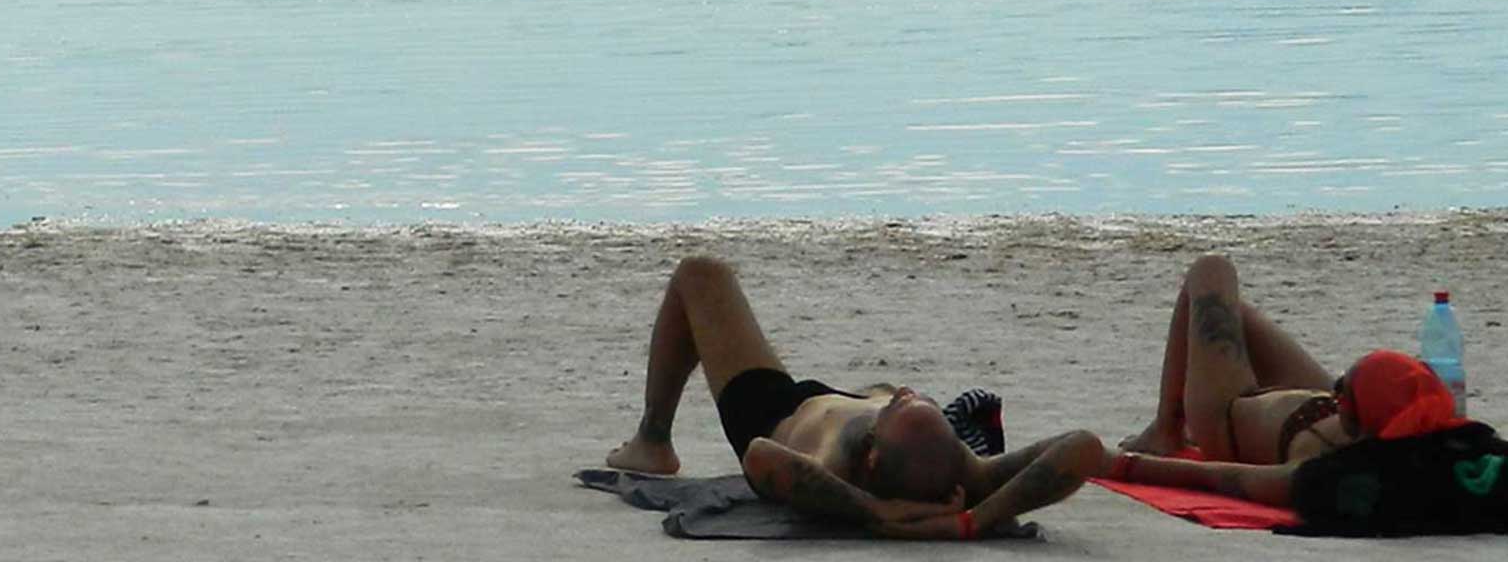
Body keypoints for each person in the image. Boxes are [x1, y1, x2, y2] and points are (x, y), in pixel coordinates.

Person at [602, 255, 1104, 540]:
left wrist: (874, 512)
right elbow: (1084, 446)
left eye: (897, 408)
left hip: (779, 408)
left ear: (869, 453)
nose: (904, 394)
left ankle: (653, 440)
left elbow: (760, 456)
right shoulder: (968, 476)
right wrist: (976, 519)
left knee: (699, 274)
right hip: (854, 412)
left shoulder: (833, 464)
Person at [1110, 252, 1479, 509]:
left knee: (1210, 272)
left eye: (1345, 391)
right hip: (1312, 403)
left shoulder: (1314, 472)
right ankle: (1175, 423)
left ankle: (1166, 429)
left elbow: (1220, 477)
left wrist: (1118, 464)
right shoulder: (1420, 436)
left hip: (1227, 417)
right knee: (1230, 312)